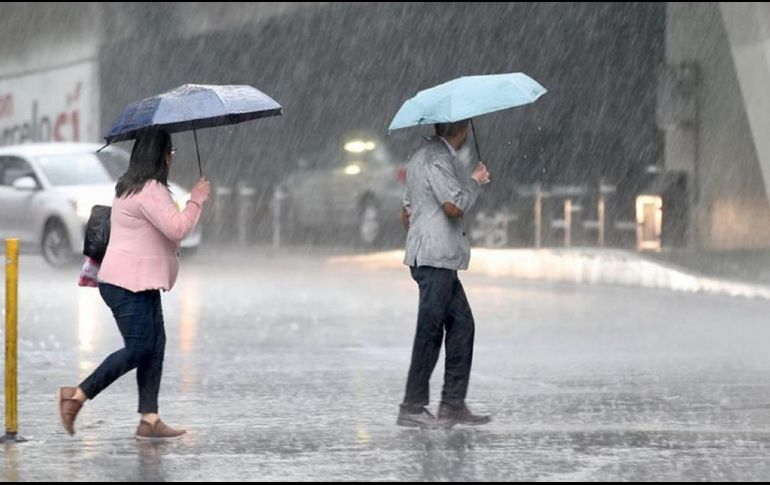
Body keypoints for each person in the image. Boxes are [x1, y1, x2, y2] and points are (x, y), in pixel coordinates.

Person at [58, 129, 210, 440]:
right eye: (171, 152)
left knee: (155, 347)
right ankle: (76, 396)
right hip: (127, 284)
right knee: (141, 348)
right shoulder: (150, 190)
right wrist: (197, 199)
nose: (172, 157)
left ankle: (150, 419)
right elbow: (177, 228)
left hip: (138, 282)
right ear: (162, 155)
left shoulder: (130, 186)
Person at [397, 119, 492, 428]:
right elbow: (454, 205)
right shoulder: (438, 159)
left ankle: (452, 403)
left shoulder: (419, 156)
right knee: (430, 331)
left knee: (462, 325)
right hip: (435, 260)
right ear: (462, 129)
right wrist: (476, 181)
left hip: (436, 259)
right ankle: (412, 407)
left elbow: (406, 213)